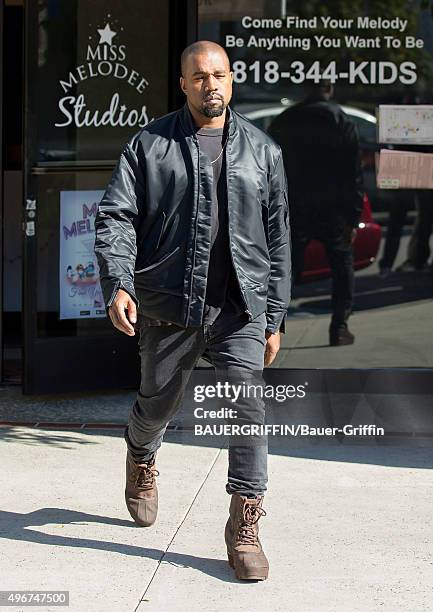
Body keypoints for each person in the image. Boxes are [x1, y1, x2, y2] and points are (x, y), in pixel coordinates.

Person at [94, 40, 291, 581]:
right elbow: (116, 217)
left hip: (240, 308)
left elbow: (278, 241)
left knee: (247, 406)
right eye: (200, 76)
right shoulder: (150, 145)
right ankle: (141, 454)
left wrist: (274, 315)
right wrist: (119, 283)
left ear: (232, 79)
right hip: (171, 304)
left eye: (220, 75)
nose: (212, 85)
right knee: (157, 403)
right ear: (182, 83)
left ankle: (244, 521)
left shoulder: (263, 151)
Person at [268, 81, 363, 345]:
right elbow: (353, 174)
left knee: (285, 270)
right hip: (333, 209)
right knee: (342, 267)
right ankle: (339, 326)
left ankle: (272, 327)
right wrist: (353, 218)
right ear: (330, 88)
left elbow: (268, 167)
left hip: (294, 205)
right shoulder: (341, 120)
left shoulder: (285, 120)